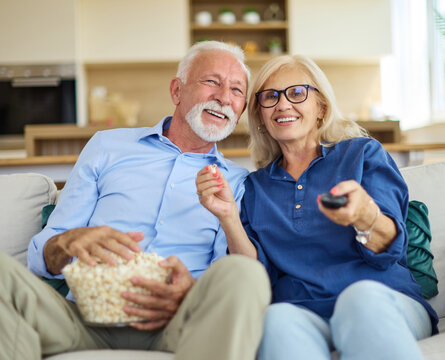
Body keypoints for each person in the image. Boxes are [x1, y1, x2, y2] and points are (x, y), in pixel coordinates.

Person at [0, 41, 270, 360]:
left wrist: (192, 291)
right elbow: (40, 255)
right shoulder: (108, 146)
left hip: (178, 324)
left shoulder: (238, 181)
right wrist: (68, 241)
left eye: (237, 90)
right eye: (211, 81)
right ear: (177, 91)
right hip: (81, 320)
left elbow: (236, 276)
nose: (224, 97)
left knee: (246, 274)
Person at [195, 54, 439, 360]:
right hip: (303, 312)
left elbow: (391, 248)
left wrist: (365, 215)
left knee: (358, 300)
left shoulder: (362, 154)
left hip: (382, 299)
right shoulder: (255, 187)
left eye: (297, 93)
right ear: (260, 116)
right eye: (270, 97)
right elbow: (259, 278)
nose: (283, 104)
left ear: (321, 107)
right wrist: (229, 217)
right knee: (275, 320)